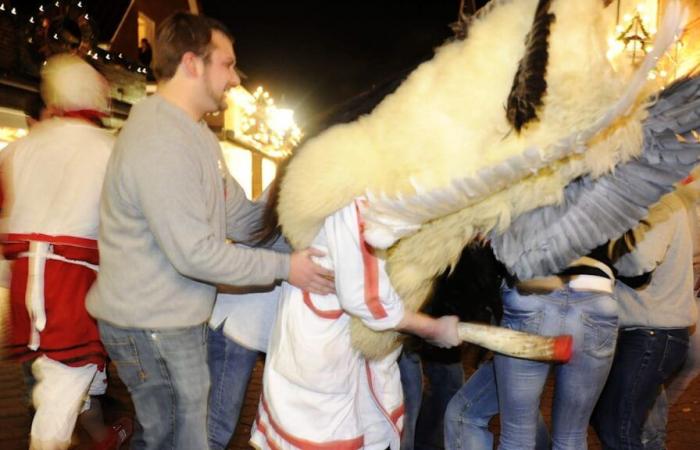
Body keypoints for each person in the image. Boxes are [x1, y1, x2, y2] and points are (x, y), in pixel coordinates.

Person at [86, 12, 333, 449]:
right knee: (174, 438)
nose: (236, 79)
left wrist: (298, 193)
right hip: (150, 325)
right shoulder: (160, 139)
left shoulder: (195, 133)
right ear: (192, 63)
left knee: (181, 435)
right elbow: (194, 253)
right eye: (228, 64)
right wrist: (285, 268)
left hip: (171, 318)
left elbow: (240, 218)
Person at [249, 192, 461, 449]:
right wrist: (433, 328)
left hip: (321, 341)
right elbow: (366, 298)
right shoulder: (355, 194)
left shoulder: (340, 178)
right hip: (330, 350)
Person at [0, 54, 130, 449]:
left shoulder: (21, 150)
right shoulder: (107, 149)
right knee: (63, 385)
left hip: (30, 279)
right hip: (73, 282)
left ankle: (101, 434)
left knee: (66, 378)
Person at [592, 191, 697, 450]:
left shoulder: (658, 200)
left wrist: (599, 249)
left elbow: (639, 264)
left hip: (652, 333)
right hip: (649, 331)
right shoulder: (655, 198)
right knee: (617, 423)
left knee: (618, 427)